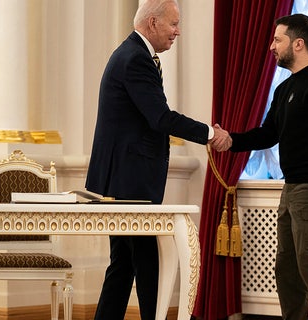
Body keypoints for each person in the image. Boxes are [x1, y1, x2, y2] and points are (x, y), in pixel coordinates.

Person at [85, 0, 230, 319]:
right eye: (174, 24)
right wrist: (209, 133)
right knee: (145, 262)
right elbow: (160, 118)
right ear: (152, 23)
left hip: (123, 179)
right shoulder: (135, 58)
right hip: (128, 182)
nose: (178, 31)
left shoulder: (132, 53)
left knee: (124, 264)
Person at [222, 14, 308, 320]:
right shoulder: (284, 89)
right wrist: (230, 140)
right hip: (291, 188)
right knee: (286, 266)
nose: (271, 46)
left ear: (298, 44)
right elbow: (268, 134)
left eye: (277, 40)